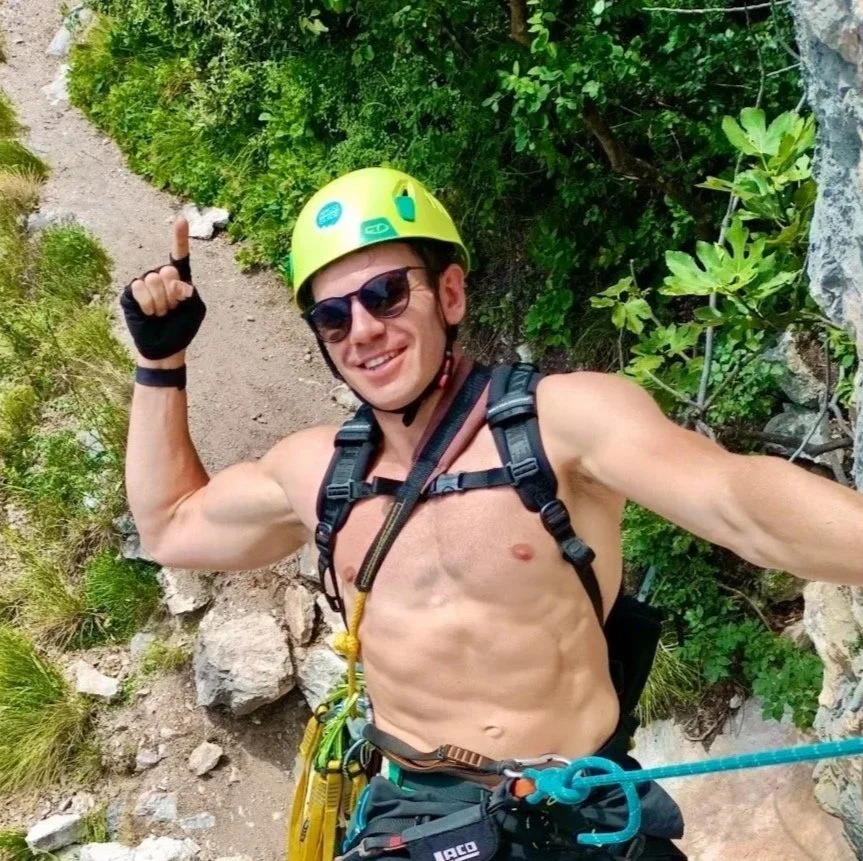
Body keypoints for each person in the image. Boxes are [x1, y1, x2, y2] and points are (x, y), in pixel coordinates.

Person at [122, 167, 863, 860]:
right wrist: (161, 362)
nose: (363, 329)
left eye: (384, 294)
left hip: (576, 806)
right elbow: (170, 525)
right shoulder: (314, 472)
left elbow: (738, 501)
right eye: (332, 314)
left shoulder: (562, 422)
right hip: (419, 816)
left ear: (449, 293)